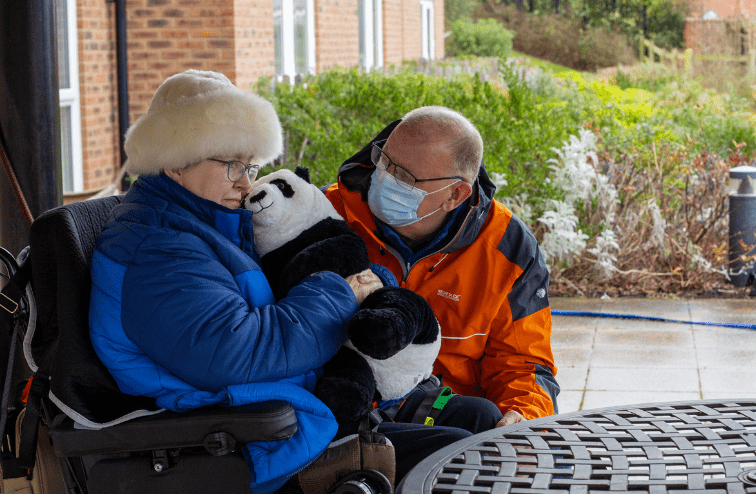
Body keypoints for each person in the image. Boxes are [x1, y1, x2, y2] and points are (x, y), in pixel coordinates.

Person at [88, 71, 500, 494]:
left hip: (280, 409)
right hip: (248, 444)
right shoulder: (158, 249)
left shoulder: (201, 224)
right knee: (459, 457)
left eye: (251, 166)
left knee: (480, 421)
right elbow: (242, 354)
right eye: (232, 164)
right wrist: (343, 291)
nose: (246, 183)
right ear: (175, 161)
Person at [325, 106, 560, 427]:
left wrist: (521, 415)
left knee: (498, 428)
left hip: (444, 412)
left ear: (456, 193)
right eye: (384, 160)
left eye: (405, 176)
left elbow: (522, 362)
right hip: (339, 400)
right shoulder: (328, 212)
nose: (385, 177)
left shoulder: (508, 247)